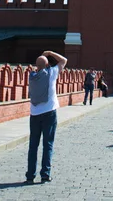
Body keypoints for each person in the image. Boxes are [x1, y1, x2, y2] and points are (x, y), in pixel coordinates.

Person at [25, 49, 67, 185]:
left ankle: (30, 176)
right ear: (48, 64)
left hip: (34, 114)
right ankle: (45, 174)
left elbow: (38, 66)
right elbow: (63, 61)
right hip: (49, 113)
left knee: (33, 146)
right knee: (47, 144)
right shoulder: (51, 74)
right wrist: (49, 53)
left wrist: (42, 60)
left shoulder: (31, 76)